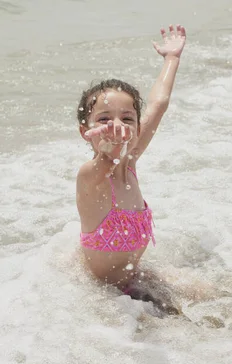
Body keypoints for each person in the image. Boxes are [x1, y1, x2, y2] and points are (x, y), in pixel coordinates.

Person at [75, 25, 186, 313]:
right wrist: (111, 148)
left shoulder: (131, 160)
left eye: (127, 117)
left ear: (137, 127)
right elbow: (107, 159)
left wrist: (171, 58)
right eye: (104, 120)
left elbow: (158, 104)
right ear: (84, 131)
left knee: (226, 299)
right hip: (102, 300)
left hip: (135, 281)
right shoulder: (91, 175)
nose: (117, 127)